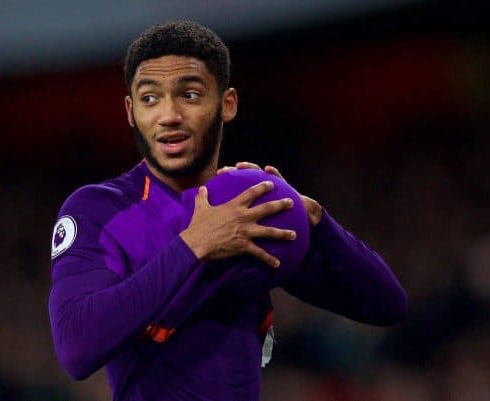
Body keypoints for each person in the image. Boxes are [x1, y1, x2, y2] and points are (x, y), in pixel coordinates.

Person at [48, 20, 407, 401]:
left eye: (189, 94)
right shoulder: (99, 210)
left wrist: (319, 225)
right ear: (131, 111)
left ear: (227, 103)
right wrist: (194, 245)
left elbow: (386, 305)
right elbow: (76, 348)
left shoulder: (246, 212)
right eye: (150, 98)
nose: (168, 115)